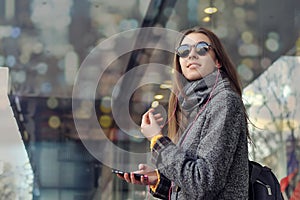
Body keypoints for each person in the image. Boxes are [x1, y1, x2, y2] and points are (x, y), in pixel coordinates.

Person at [116, 26, 250, 199]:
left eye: (202, 49)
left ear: (218, 61)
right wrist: (161, 181)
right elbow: (195, 185)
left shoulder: (224, 102)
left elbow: (203, 183)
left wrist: (158, 140)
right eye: (184, 51)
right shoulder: (196, 107)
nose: (191, 55)